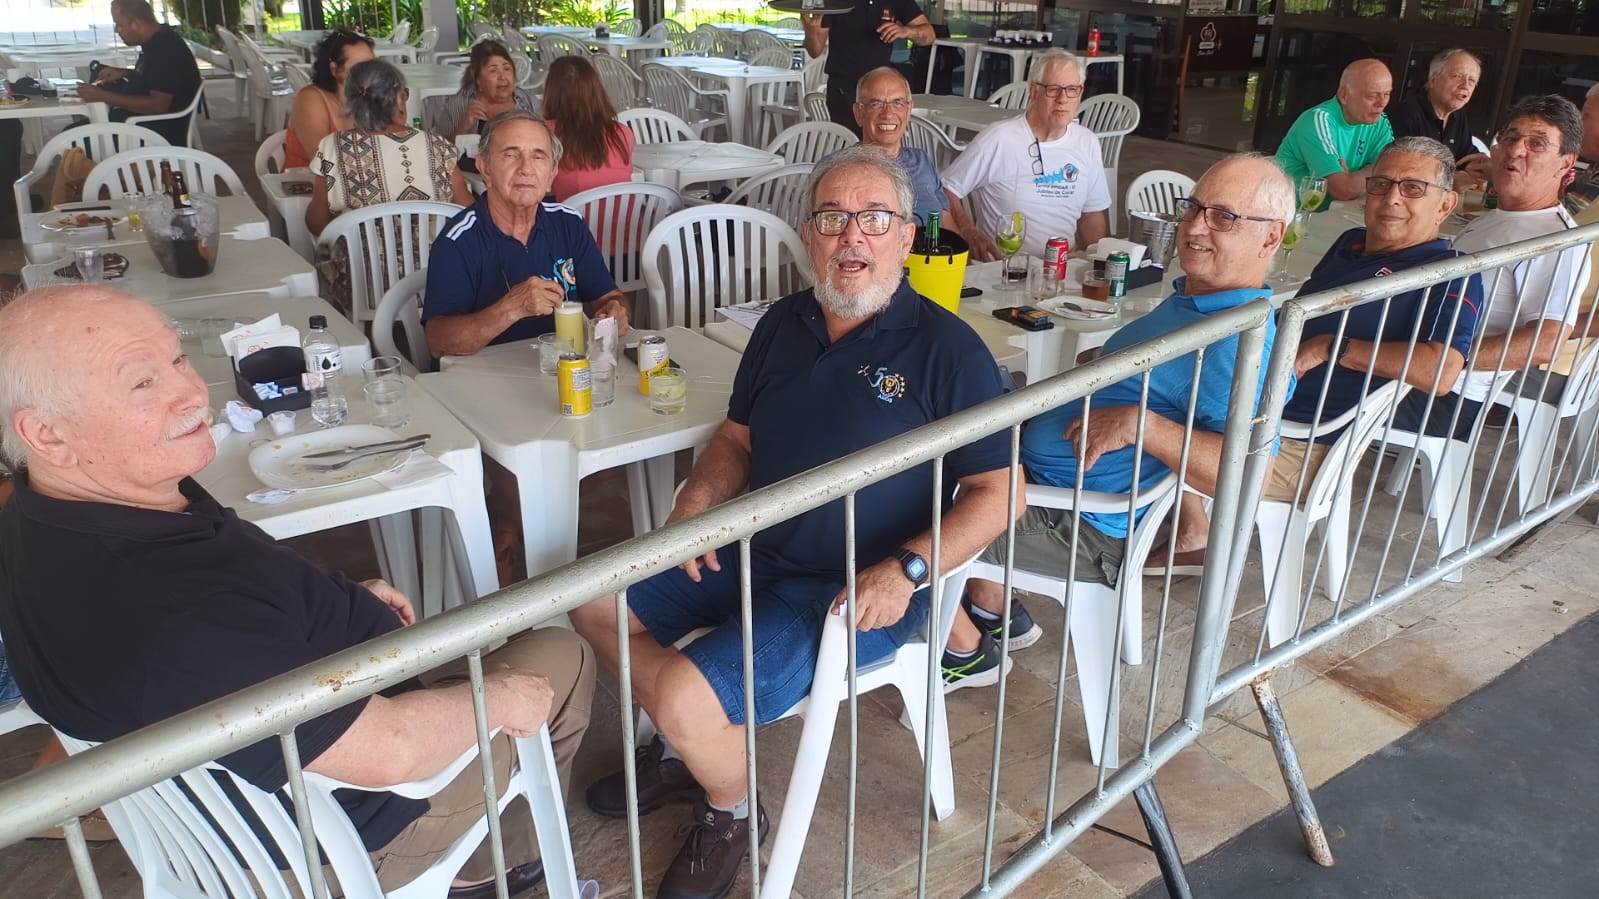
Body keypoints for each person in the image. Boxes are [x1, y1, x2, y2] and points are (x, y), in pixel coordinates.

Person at [0, 286, 595, 897]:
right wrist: (501, 699)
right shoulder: (175, 615)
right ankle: (491, 870)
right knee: (560, 658)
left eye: (176, 359)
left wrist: (329, 605)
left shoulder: (49, 509)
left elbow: (222, 641)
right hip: (335, 837)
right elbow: (392, 752)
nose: (192, 393)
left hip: (229, 790)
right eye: (141, 383)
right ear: (47, 435)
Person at [568, 147, 1016, 897]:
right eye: (832, 218)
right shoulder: (782, 323)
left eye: (875, 219)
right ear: (807, 235)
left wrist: (907, 570)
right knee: (590, 604)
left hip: (854, 589)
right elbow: (736, 440)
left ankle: (729, 806)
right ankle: (692, 746)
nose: (852, 237)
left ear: (907, 236)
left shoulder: (947, 350)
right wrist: (695, 505)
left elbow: (1001, 493)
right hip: (753, 548)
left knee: (681, 695)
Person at [941, 154, 1294, 686]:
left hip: (1080, 526)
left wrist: (1141, 424)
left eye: (1223, 217)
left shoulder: (1236, 343)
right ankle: (994, 609)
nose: (1195, 227)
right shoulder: (1195, 300)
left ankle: (966, 652)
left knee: (883, 507)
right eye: (1194, 208)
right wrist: (1105, 367)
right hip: (1046, 483)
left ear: (1270, 237)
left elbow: (1250, 477)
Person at [423, 109, 632, 585]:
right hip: (483, 393)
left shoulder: (567, 225)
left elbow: (611, 295)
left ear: (553, 171)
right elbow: (438, 340)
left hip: (561, 382)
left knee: (618, 446)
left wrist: (615, 310)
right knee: (522, 477)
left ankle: (522, 534)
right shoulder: (459, 240)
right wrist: (511, 307)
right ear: (483, 165)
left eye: (539, 156)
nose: (525, 168)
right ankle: (516, 552)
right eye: (511, 154)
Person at [1277, 138, 1483, 500]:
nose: (1392, 199)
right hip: (1246, 403)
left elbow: (1440, 372)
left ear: (1445, 204)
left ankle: (1194, 525)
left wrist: (1332, 347)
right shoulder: (1351, 242)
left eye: (1413, 188)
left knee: (1163, 448)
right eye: (1380, 184)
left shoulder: (1451, 273)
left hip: (1297, 440)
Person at [1390, 95, 1593, 438]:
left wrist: (1447, 359)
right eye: (1510, 138)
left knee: (1308, 381)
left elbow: (1545, 342)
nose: (1516, 150)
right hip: (1407, 369)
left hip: (1440, 397)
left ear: (1565, 163)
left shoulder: (1555, 240)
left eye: (1537, 144)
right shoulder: (1500, 217)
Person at [940, 50, 1111, 262]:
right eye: (1053, 90)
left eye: (1072, 90)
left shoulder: (1087, 142)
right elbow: (945, 189)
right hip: (1004, 267)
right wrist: (967, 231)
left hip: (1062, 265)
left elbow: (1091, 214)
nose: (1062, 99)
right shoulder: (1000, 138)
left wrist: (1099, 261)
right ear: (1034, 92)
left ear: (1081, 93)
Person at [306, 59, 471, 237]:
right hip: (435, 254)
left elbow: (317, 224)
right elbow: (467, 212)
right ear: (398, 100)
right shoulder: (437, 145)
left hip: (359, 255)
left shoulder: (332, 147)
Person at [822, 66, 955, 230]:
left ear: (908, 111)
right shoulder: (836, 169)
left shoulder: (922, 161)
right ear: (858, 113)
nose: (887, 114)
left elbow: (947, 222)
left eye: (898, 103)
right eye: (876, 104)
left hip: (934, 247)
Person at [76, 0, 201, 147]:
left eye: (119, 24)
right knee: (76, 132)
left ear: (135, 23)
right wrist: (124, 73)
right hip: (137, 124)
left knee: (73, 141)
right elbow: (158, 77)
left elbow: (158, 105)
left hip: (153, 132)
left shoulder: (166, 50)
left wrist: (103, 96)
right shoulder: (157, 40)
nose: (116, 30)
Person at [801, 0, 934, 134]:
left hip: (881, 89)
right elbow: (815, 51)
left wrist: (906, 31)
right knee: (850, 143)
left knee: (883, 140)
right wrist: (811, 34)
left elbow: (929, 36)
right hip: (844, 88)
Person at [1275, 58, 1395, 203]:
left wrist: (1356, 177)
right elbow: (1344, 190)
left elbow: (1394, 171)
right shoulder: (1318, 120)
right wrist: (1377, 172)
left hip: (1337, 211)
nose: (1382, 103)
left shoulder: (1379, 121)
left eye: (1387, 94)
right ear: (1344, 95)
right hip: (1293, 211)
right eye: (1372, 96)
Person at [1388, 49, 1491, 186]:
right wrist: (1450, 183)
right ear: (1433, 79)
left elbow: (1465, 158)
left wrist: (1485, 165)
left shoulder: (1457, 116)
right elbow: (1401, 170)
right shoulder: (1407, 114)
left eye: (1471, 80)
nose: (1465, 85)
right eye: (1457, 76)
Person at [540, 55, 635, 202]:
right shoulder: (623, 132)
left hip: (574, 215)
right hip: (627, 216)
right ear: (597, 90)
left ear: (551, 92)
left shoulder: (545, 133)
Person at [284, 29, 375, 170]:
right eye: (360, 67)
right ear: (335, 69)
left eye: (373, 65)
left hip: (356, 179)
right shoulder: (311, 99)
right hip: (307, 181)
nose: (372, 72)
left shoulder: (367, 98)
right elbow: (322, 161)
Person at [432, 40, 540, 139]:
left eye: (507, 69)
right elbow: (440, 149)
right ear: (477, 78)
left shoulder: (527, 102)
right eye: (493, 71)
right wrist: (464, 126)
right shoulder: (459, 104)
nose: (502, 77)